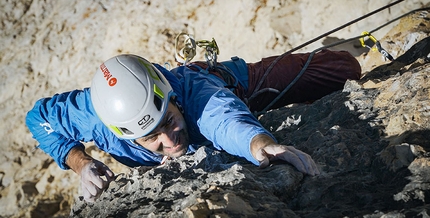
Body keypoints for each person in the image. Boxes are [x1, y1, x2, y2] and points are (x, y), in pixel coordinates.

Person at [25, 48, 361, 202]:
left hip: (226, 81)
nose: (170, 141)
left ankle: (341, 46)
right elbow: (38, 119)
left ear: (172, 97)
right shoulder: (94, 115)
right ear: (118, 132)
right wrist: (81, 163)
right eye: (151, 138)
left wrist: (259, 143)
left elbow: (224, 118)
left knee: (342, 69)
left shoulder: (196, 96)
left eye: (169, 121)